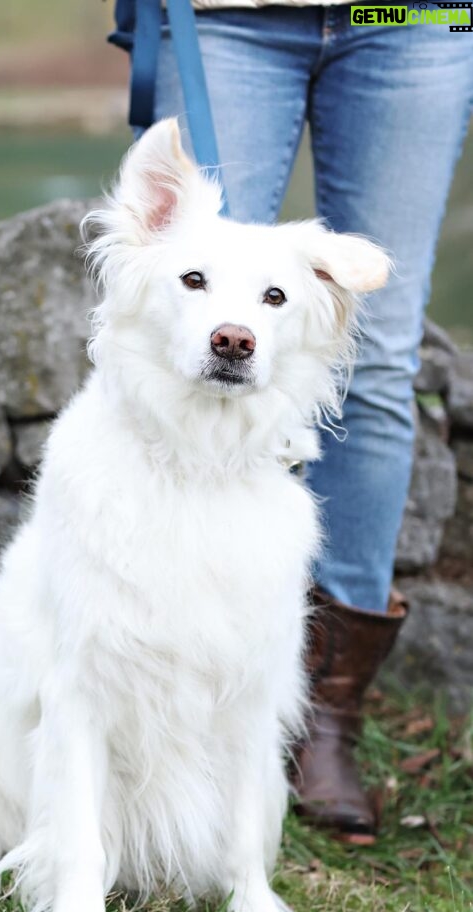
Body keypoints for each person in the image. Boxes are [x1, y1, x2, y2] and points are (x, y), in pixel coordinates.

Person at [111, 1, 473, 837]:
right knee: (185, 320)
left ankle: (323, 722)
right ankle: (154, 692)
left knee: (377, 358)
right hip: (223, 15)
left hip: (421, 17)